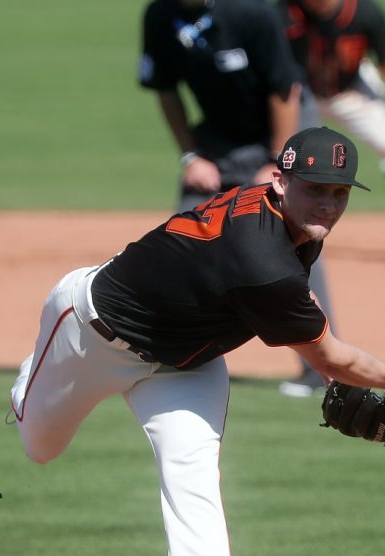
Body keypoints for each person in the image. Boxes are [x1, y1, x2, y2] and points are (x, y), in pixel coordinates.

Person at [8, 127, 385, 556]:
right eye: (315, 188)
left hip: (184, 366)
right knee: (39, 446)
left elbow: (301, 312)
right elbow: (330, 356)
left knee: (196, 487)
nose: (328, 204)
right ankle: (28, 386)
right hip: (90, 333)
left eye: (340, 193)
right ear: (279, 181)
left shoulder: (290, 226)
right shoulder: (259, 255)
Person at [137, 0, 335, 397]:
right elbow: (165, 89)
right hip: (219, 137)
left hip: (280, 127)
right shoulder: (159, 15)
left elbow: (285, 89)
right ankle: (170, 353)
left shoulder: (251, 12)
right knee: (183, 234)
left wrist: (277, 162)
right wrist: (191, 155)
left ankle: (322, 367)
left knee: (293, 236)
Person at [277, 0, 385, 258]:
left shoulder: (365, 12)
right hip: (300, 94)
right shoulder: (283, 11)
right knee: (282, 156)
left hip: (351, 92)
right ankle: (277, 233)